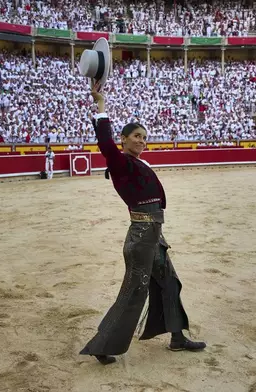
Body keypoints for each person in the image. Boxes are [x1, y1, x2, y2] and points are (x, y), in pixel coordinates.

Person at [79, 83, 206, 366]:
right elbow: (104, 144)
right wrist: (101, 107)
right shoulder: (120, 162)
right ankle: (103, 344)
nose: (142, 141)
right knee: (134, 291)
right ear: (123, 139)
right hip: (142, 236)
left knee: (170, 283)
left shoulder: (134, 163)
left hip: (152, 234)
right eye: (137, 136)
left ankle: (177, 337)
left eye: (145, 137)